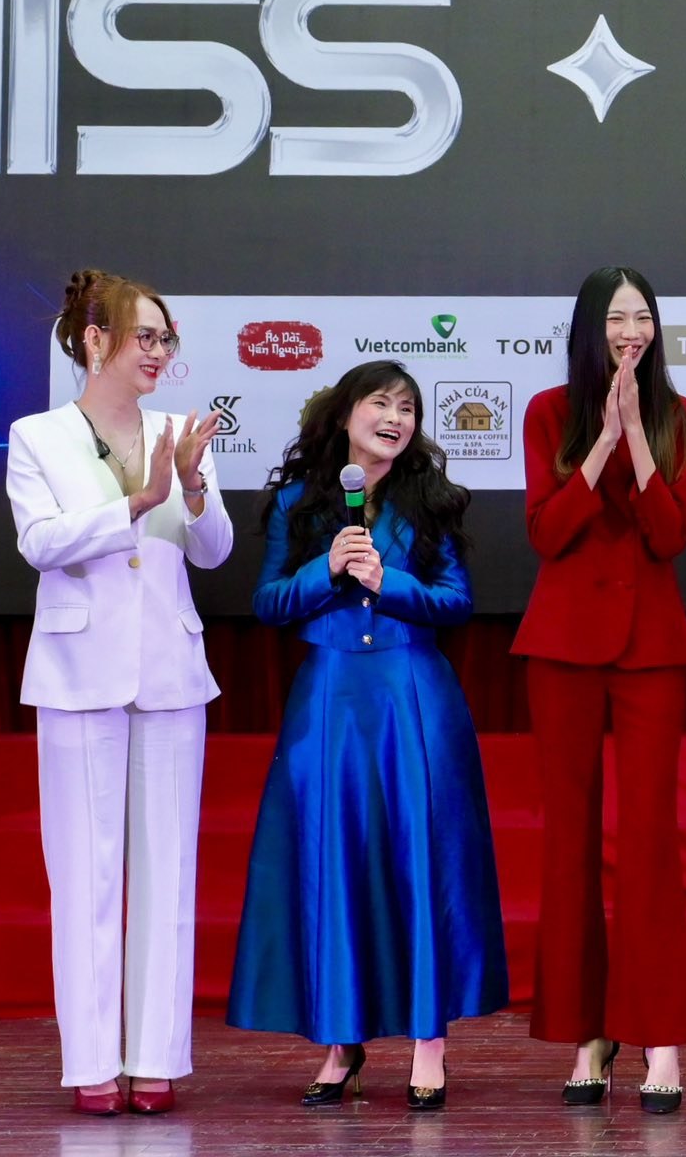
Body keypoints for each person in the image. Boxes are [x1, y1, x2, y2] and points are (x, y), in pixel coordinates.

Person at [227, 360, 508, 1112]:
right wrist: (326, 570)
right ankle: (341, 1039)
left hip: (412, 696)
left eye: (407, 408)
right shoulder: (298, 503)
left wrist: (392, 583)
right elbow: (268, 603)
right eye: (381, 403)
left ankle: (428, 1040)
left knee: (421, 859)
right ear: (346, 414)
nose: (395, 418)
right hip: (329, 701)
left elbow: (456, 603)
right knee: (334, 862)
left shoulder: (432, 499)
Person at [5, 269, 230, 1116]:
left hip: (170, 670)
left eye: (168, 339)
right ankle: (93, 1060)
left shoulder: (179, 431)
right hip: (77, 671)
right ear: (95, 340)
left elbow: (212, 551)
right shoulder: (38, 436)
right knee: (85, 874)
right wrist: (137, 501)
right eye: (146, 336)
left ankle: (156, 1057)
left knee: (167, 873)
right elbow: (41, 544)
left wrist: (193, 488)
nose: (160, 353)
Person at [512, 266, 686, 1114]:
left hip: (651, 645)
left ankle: (658, 1036)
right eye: (618, 318)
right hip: (562, 645)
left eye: (643, 317)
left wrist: (638, 438)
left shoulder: (679, 416)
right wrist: (600, 442)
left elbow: (670, 536)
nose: (632, 331)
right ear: (592, 328)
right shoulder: (547, 411)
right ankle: (589, 1032)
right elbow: (547, 534)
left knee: (651, 840)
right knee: (571, 841)